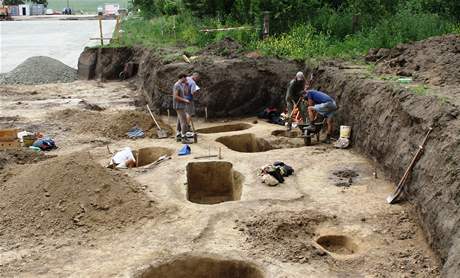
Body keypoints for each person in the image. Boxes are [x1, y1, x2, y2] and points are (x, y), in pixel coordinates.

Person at [173, 73, 191, 143]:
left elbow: (185, 93)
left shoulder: (181, 85)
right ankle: (184, 137)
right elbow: (175, 96)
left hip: (181, 105)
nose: (186, 79)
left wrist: (186, 85)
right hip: (179, 105)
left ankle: (178, 135)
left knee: (179, 120)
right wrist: (185, 100)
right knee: (184, 121)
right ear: (182, 78)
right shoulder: (177, 85)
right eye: (185, 78)